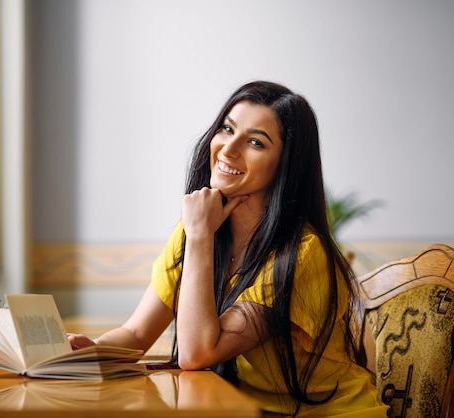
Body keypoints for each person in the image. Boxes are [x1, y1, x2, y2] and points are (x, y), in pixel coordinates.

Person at [68, 81, 388, 417]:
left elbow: (197, 353)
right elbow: (135, 332)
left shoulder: (303, 254)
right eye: (227, 128)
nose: (228, 149)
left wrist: (200, 234)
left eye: (255, 142)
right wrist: (88, 350)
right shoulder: (196, 233)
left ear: (286, 164)